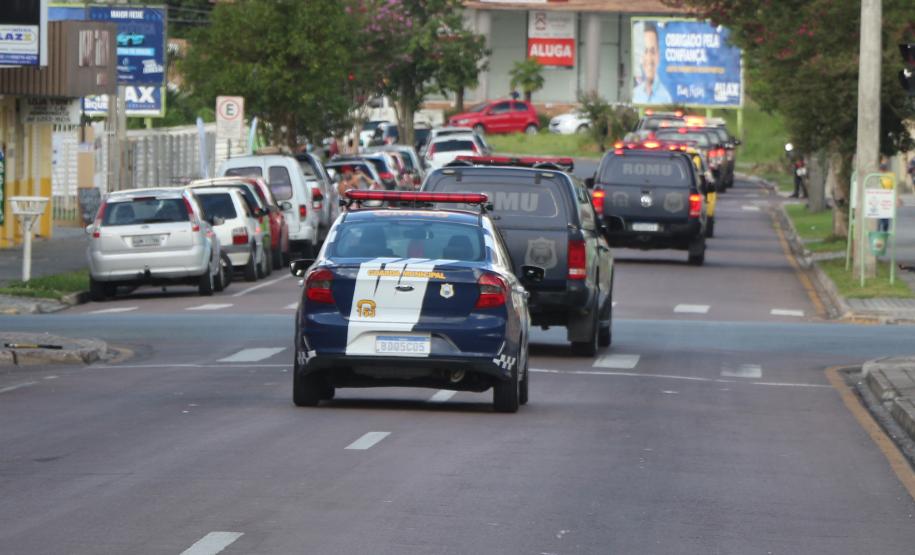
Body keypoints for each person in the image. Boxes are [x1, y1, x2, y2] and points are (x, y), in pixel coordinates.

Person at [632, 22, 672, 105]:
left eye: (653, 51)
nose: (649, 58)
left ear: (659, 56)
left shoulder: (666, 98)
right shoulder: (635, 94)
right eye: (645, 51)